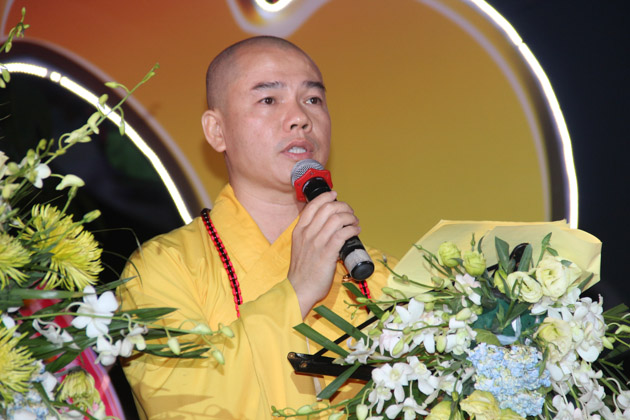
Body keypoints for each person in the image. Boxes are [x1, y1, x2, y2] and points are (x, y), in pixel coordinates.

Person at [118, 36, 395, 419]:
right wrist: (296, 292)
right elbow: (184, 403)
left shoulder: (380, 276)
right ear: (216, 130)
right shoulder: (161, 269)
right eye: (269, 100)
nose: (300, 117)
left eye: (313, 99)